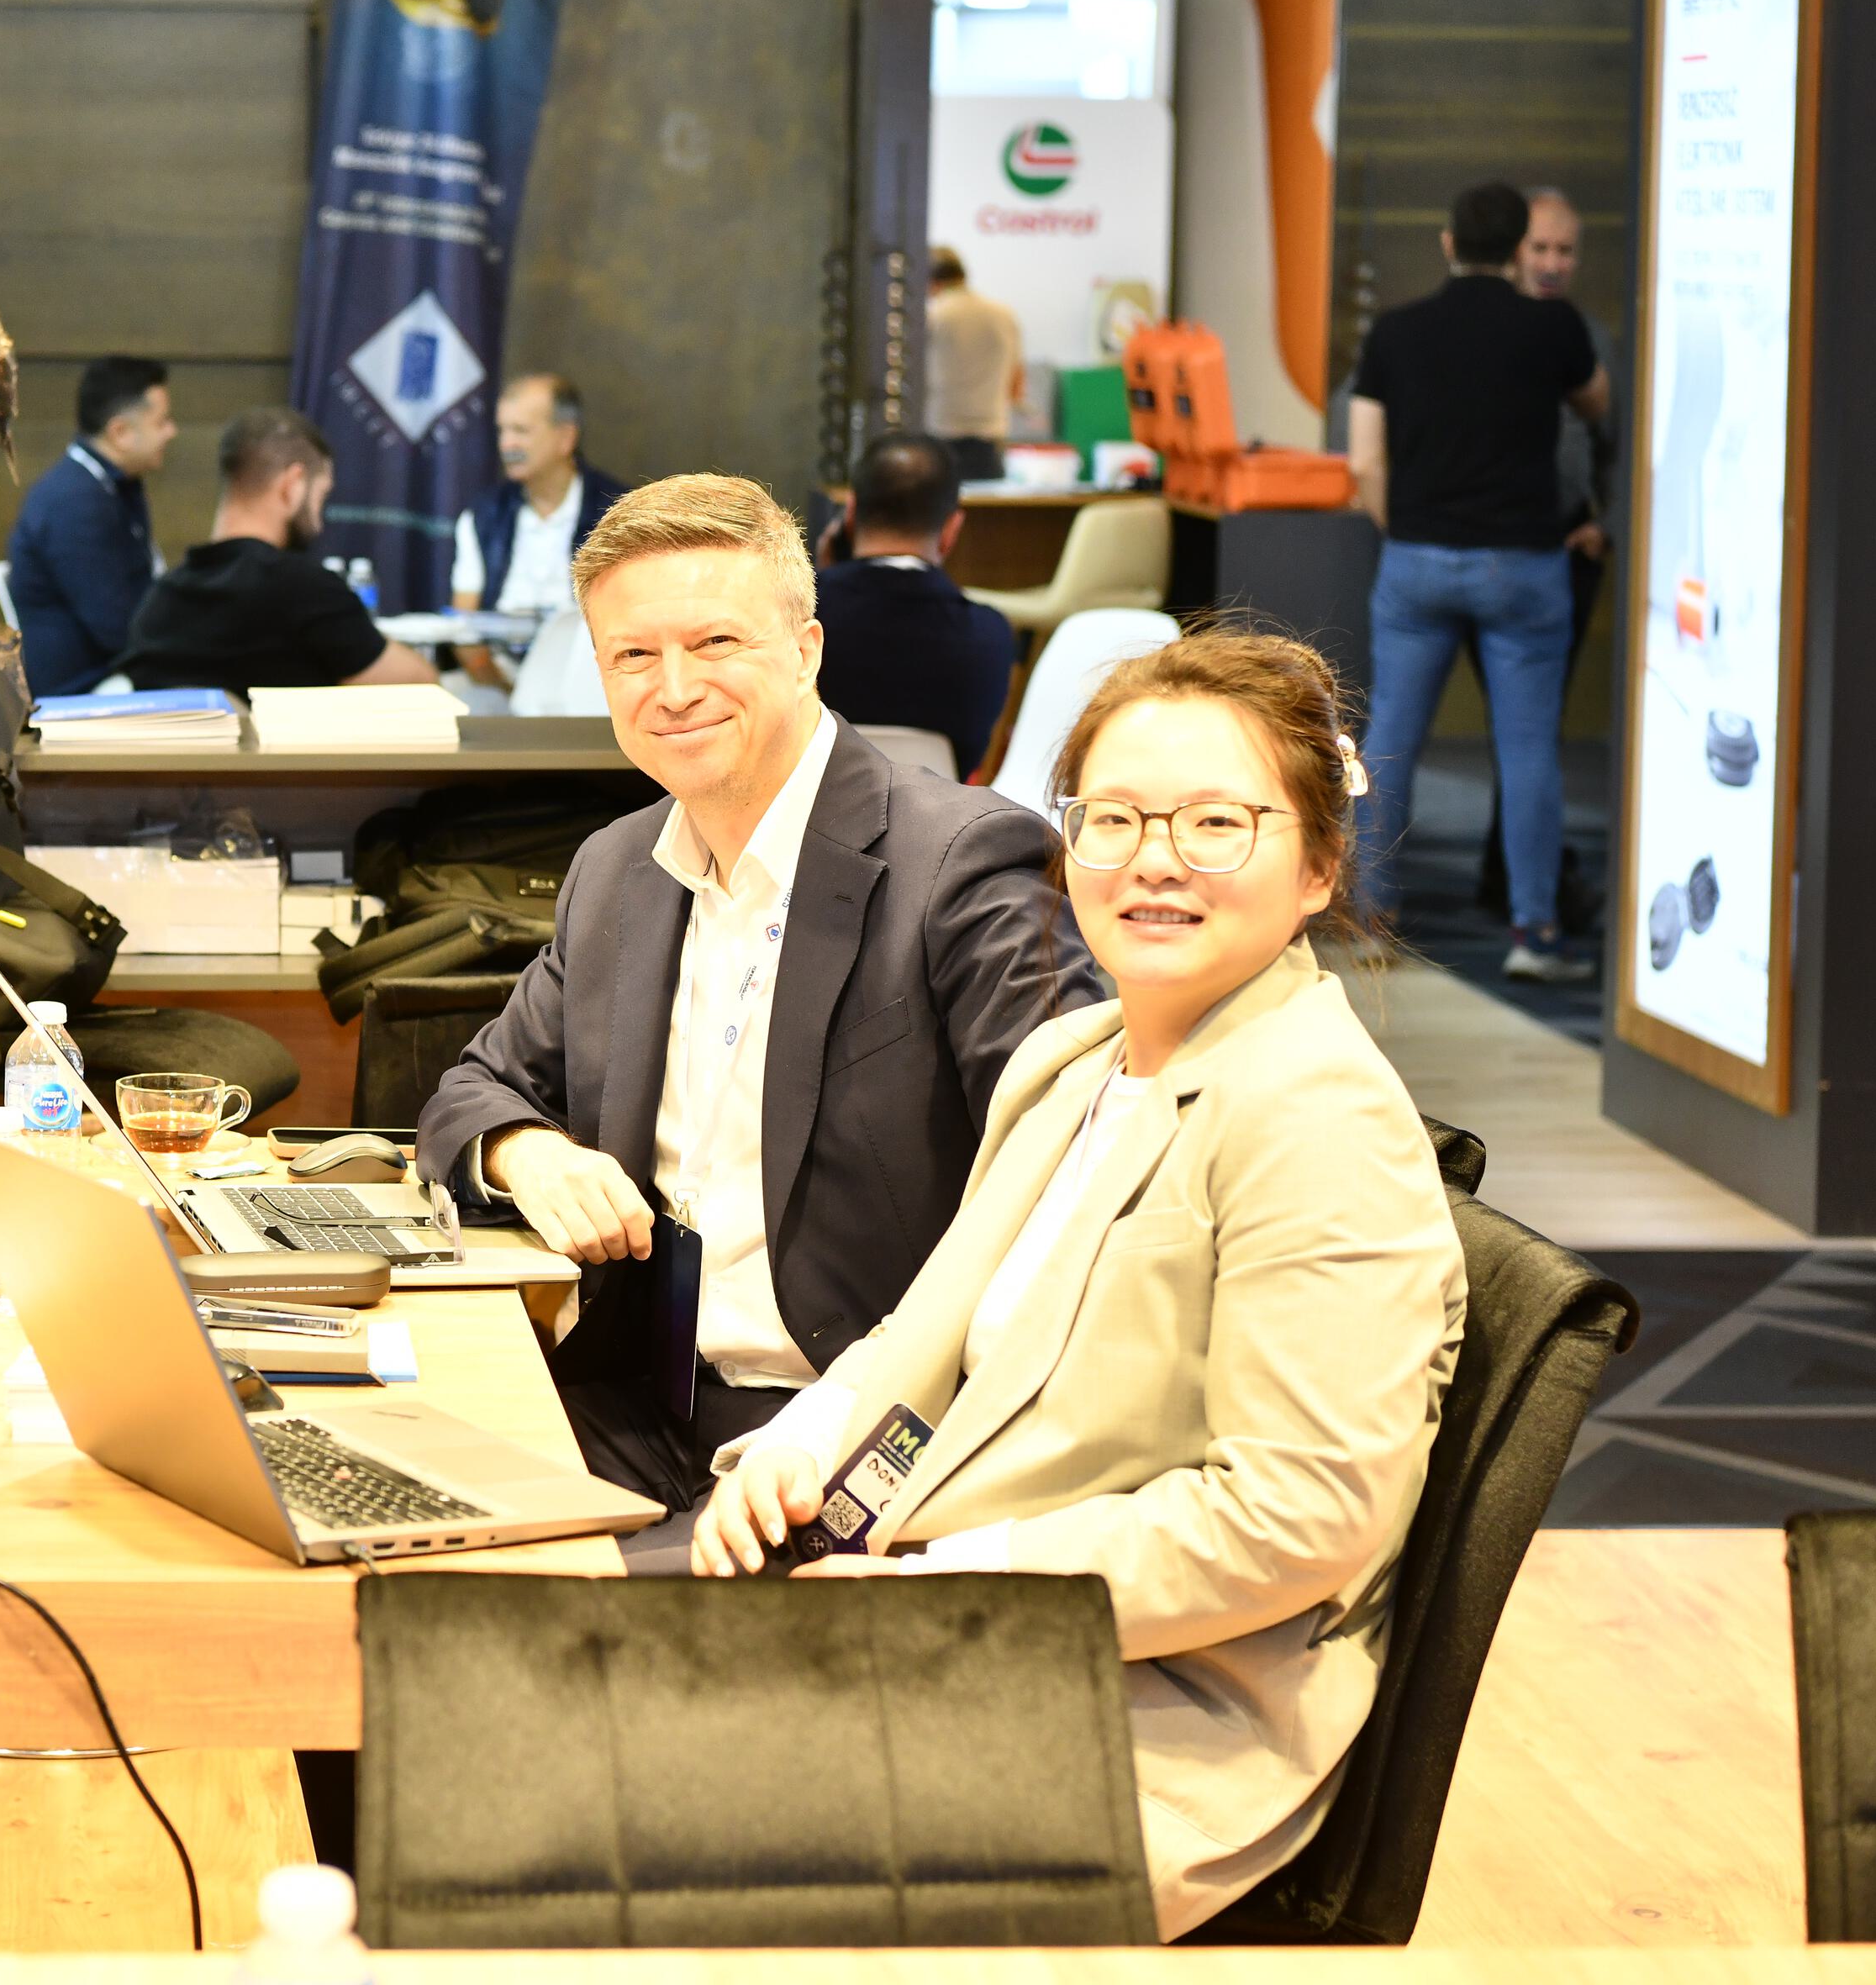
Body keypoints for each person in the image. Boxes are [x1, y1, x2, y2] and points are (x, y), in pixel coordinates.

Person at [693, 627, 1464, 1941]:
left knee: (616, 1835)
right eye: (1114, 819)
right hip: (939, 1609)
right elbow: (930, 1333)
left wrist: (953, 1592)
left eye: (1217, 823)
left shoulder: (1318, 1120)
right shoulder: (1077, 1057)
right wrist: (805, 1442)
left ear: (1319, 866)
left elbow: (1294, 1518)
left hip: (1145, 1711)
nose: (1155, 859)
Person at [416, 471, 1099, 1519]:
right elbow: (473, 1091)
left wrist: (852, 1421)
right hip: (640, 1401)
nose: (673, 688)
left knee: (518, 1601)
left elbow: (1073, 1178)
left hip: (855, 1433)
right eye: (632, 656)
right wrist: (527, 1151)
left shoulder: (960, 863)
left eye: (716, 643)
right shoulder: (618, 869)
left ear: (807, 650)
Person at [1348, 179, 1610, 983]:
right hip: (1523, 565)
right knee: (1527, 751)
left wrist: (1406, 531)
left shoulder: (1395, 333)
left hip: (1417, 560)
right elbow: (1598, 405)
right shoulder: (1553, 327)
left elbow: (1364, 460)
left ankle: (1370, 921)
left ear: (1448, 244)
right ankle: (1535, 933)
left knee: (1390, 739)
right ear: (1518, 247)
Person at [1473, 186, 1624, 925]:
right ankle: (1525, 878)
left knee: (1535, 725)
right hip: (1482, 548)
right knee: (1520, 729)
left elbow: (1622, 440)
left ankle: (1516, 875)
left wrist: (1610, 523)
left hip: (1566, 546)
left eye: (1566, 250)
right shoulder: (1478, 328)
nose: (1553, 263)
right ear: (1515, 252)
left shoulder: (1591, 337)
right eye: (1541, 248)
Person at [113, 406, 434, 696]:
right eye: (320, 497)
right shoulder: (304, 589)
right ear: (293, 485)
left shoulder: (159, 602)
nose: (320, 522)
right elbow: (421, 687)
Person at [810, 431, 1019, 776]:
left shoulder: (800, 618)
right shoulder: (990, 635)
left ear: (850, 513)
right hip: (938, 806)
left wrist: (818, 583)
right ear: (952, 529)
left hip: (815, 802)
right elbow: (971, 759)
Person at [439, 372, 629, 693]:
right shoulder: (484, 514)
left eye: (521, 431)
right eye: (502, 430)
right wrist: (504, 689)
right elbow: (463, 627)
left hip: (590, 677)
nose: (506, 444)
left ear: (566, 438)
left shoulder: (615, 513)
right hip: (500, 677)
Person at [6, 355, 177, 696]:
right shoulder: (74, 503)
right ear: (120, 432)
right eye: (161, 422)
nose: (171, 432)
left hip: (111, 676)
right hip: (81, 691)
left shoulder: (112, 486)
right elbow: (118, 629)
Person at [925, 248, 1023, 483]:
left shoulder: (933, 314)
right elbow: (1017, 379)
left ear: (931, 282)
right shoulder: (1003, 314)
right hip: (989, 438)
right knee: (985, 505)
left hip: (940, 435)